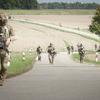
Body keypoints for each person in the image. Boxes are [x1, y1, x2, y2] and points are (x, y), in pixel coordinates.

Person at [0, 13, 14, 86]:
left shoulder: (9, 27)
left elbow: (15, 36)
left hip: (4, 50)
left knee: (4, 66)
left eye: (5, 18)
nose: (5, 19)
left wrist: (9, 39)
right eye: (3, 18)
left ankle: (1, 80)